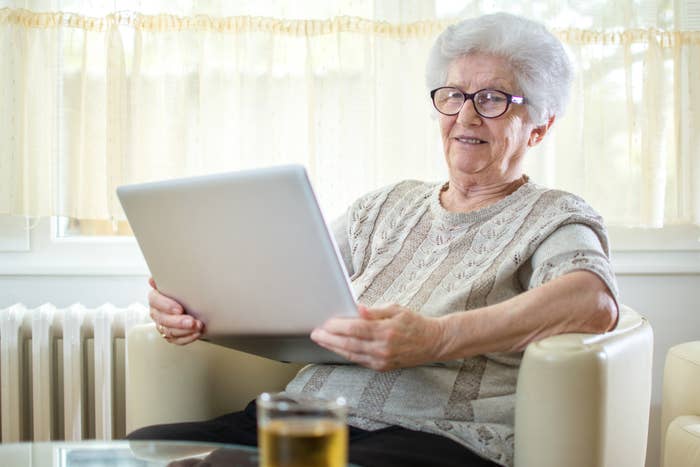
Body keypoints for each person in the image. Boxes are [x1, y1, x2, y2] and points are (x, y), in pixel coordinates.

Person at [128, 12, 619, 467]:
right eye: (453, 95)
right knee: (144, 450)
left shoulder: (554, 215)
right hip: (306, 417)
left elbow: (591, 300)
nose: (466, 116)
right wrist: (190, 305)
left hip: (436, 437)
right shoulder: (383, 206)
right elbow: (282, 286)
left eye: (492, 99)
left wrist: (437, 338)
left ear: (540, 126)